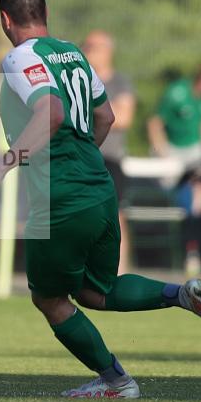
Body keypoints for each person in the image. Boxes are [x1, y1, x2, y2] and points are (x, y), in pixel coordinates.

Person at [0, 0, 201, 399]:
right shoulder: (73, 54)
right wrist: (82, 161)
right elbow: (106, 117)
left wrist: (1, 167)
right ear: (45, 12)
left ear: (5, 19)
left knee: (50, 300)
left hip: (60, 199)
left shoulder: (19, 58)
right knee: (97, 291)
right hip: (99, 188)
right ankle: (183, 295)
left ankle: (117, 382)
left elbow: (51, 112)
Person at [148, 60, 201, 274]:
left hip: (194, 152)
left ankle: (193, 247)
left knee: (199, 193)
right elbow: (155, 123)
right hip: (172, 151)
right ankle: (177, 243)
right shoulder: (177, 92)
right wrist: (163, 153)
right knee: (178, 195)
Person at [82, 30, 135, 273]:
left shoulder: (119, 82)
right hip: (81, 159)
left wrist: (89, 107)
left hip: (108, 159)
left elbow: (123, 117)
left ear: (108, 52)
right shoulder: (76, 81)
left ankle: (118, 272)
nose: (87, 52)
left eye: (93, 47)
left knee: (114, 215)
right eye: (86, 46)